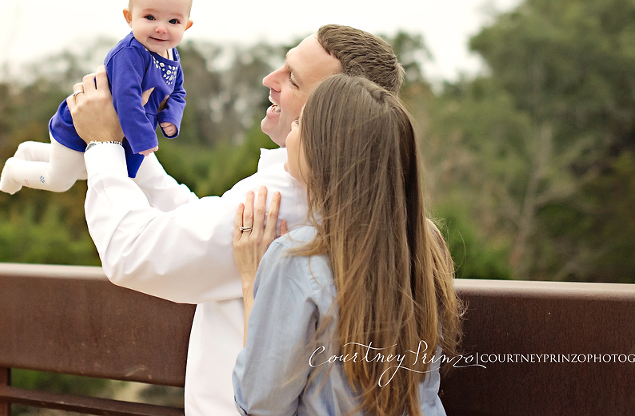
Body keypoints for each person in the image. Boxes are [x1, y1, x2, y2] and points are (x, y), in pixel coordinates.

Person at [65, 25, 404, 415]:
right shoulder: (350, 197)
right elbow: (201, 219)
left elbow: (133, 252)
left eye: (292, 78)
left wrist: (103, 145)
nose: (270, 80)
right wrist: (130, 144)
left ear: (336, 109)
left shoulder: (281, 198)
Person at [232, 74, 462, 416]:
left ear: (324, 151)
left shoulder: (298, 257)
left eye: (298, 123)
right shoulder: (425, 243)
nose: (290, 134)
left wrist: (251, 281)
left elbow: (260, 404)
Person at [0, 0, 193, 194]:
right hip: (84, 125)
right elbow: (126, 99)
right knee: (59, 181)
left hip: (117, 133)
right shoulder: (130, 55)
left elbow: (178, 92)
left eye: (173, 21)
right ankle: (14, 170)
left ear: (186, 25)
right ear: (129, 17)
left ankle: (30, 152)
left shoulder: (171, 56)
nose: (161, 27)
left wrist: (171, 117)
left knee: (88, 170)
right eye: (150, 17)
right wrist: (143, 138)